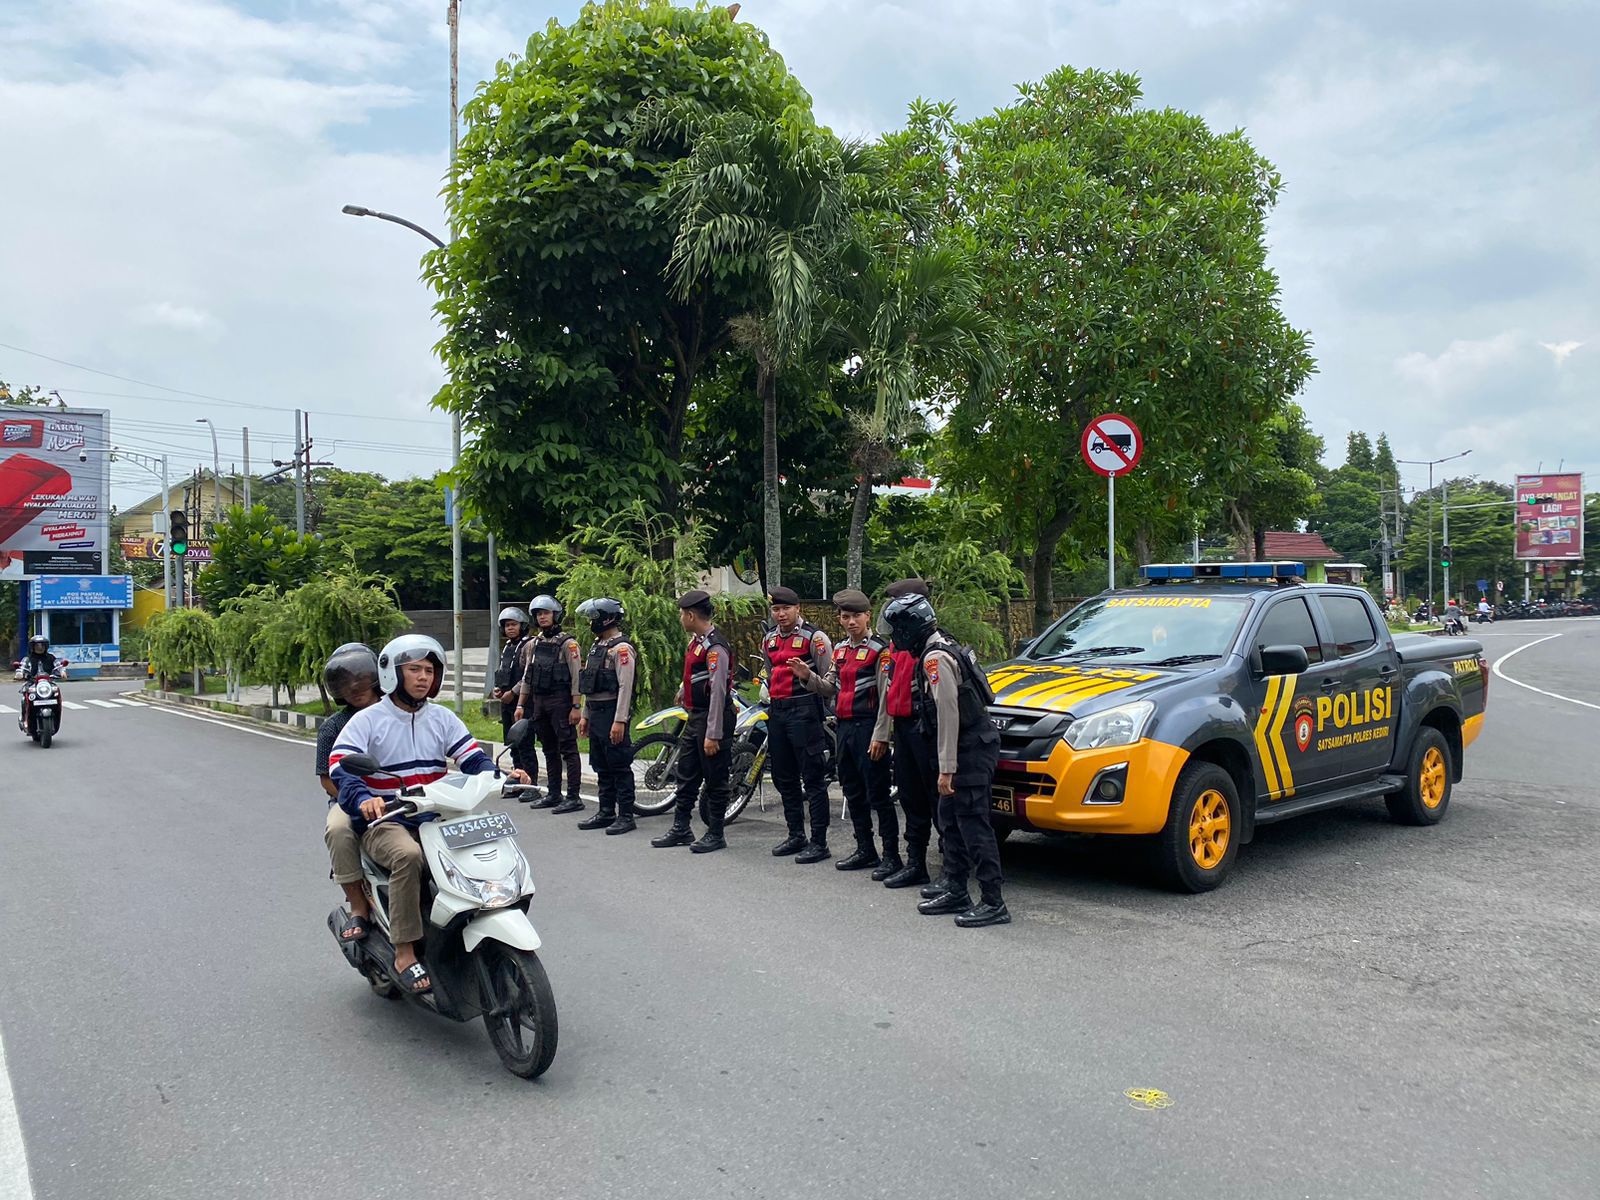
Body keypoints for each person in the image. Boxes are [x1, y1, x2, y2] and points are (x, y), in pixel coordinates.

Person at [330, 634, 530, 993]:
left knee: (478, 855)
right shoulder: (368, 720)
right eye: (414, 669)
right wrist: (364, 798)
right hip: (387, 818)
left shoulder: (441, 718)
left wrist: (503, 776)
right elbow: (341, 766)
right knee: (409, 857)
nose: (423, 677)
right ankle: (405, 951)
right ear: (392, 673)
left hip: (436, 814)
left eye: (429, 670)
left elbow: (473, 759)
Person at [882, 592, 1010, 928]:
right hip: (964, 744)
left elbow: (949, 714)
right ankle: (956, 887)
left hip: (968, 748)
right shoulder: (940, 646)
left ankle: (993, 901)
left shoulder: (934, 658)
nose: (895, 638)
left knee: (973, 823)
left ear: (911, 627)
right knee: (949, 818)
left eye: (897, 629)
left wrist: (947, 767)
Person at [792, 588, 900, 875]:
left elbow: (886, 697)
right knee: (852, 791)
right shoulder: (840, 650)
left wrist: (881, 735)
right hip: (845, 728)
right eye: (845, 616)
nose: (850, 622)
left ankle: (891, 855)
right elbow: (830, 686)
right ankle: (865, 849)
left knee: (878, 794)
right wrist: (808, 677)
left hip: (868, 728)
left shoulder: (881, 650)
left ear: (868, 616)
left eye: (856, 616)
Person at [652, 589, 736, 853]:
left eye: (681, 614)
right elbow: (695, 676)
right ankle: (682, 827)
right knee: (686, 773)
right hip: (696, 716)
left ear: (690, 615)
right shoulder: (697, 642)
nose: (680, 619)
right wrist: (682, 690)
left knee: (715, 777)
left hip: (715, 717)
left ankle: (715, 832)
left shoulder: (715, 647)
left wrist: (713, 733)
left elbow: (719, 692)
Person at [872, 579, 941, 888]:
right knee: (911, 799)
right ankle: (915, 863)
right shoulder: (897, 646)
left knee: (938, 801)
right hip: (903, 729)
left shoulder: (928, 645)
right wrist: (884, 733)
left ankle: (953, 867)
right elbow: (888, 693)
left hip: (925, 729)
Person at [761, 586, 835, 863]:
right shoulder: (769, 639)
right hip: (778, 711)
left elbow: (828, 677)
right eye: (776, 610)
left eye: (785, 609)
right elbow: (770, 672)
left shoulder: (814, 638)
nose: (780, 614)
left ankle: (819, 841)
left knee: (813, 778)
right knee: (783, 776)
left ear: (797, 608)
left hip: (805, 710)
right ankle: (795, 834)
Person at [316, 644, 384, 944]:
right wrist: (359, 797)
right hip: (350, 799)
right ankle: (357, 904)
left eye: (362, 680)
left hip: (400, 793)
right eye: (347, 684)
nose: (355, 688)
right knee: (338, 829)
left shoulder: (396, 713)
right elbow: (327, 780)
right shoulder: (333, 727)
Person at [515, 595, 584, 813]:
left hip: (561, 701)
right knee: (548, 748)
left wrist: (576, 706)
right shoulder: (534, 644)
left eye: (546, 612)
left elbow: (576, 677)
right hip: (540, 701)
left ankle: (573, 796)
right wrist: (520, 704)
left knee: (568, 749)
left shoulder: (568, 644)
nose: (542, 617)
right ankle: (554, 793)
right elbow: (528, 676)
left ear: (555, 615)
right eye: (538, 614)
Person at [576, 597, 638, 834]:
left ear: (606, 618)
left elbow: (625, 687)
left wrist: (620, 720)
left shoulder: (621, 649)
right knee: (601, 764)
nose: (591, 623)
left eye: (594, 618)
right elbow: (588, 685)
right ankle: (605, 811)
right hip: (596, 713)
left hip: (613, 712)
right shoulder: (597, 646)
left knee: (619, 765)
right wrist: (585, 715)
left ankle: (626, 815)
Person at [492, 606, 535, 780]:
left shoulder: (528, 645)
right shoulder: (508, 647)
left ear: (522, 625)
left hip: (522, 703)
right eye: (507, 625)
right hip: (507, 702)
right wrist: (498, 689)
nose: (510, 628)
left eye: (513, 624)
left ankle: (530, 782)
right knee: (512, 744)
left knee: (525, 744)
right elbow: (504, 671)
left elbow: (528, 674)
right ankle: (518, 779)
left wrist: (513, 692)